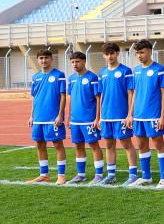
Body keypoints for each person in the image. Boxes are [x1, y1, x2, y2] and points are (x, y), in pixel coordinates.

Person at [125, 39, 164, 188]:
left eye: (142, 52)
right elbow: (135, 93)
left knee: (158, 143)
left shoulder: (159, 69)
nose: (139, 55)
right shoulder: (136, 70)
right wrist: (130, 114)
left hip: (154, 115)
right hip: (138, 116)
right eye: (137, 53)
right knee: (141, 144)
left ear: (150, 51)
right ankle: (146, 177)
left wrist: (163, 115)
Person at [96, 43, 136, 185]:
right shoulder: (102, 73)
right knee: (109, 145)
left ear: (117, 53)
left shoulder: (126, 71)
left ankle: (133, 175)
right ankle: (111, 175)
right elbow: (101, 95)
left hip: (121, 116)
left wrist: (129, 114)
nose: (110, 56)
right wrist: (100, 117)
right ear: (103, 56)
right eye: (107, 54)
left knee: (126, 144)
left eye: (112, 53)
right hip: (106, 116)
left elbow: (131, 93)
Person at [25, 49, 67, 184]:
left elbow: (63, 96)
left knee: (57, 144)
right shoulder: (35, 77)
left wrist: (60, 115)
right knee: (39, 145)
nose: (44, 60)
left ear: (51, 59)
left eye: (46, 58)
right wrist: (31, 116)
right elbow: (34, 97)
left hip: (53, 118)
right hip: (38, 118)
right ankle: (44, 175)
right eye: (41, 58)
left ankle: (61, 175)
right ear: (38, 60)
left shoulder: (59, 75)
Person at [66, 52, 103, 185]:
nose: (74, 64)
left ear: (84, 61)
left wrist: (97, 118)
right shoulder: (71, 78)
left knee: (94, 145)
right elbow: (71, 99)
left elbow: (98, 99)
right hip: (75, 120)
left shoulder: (92, 77)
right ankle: (80, 175)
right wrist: (69, 117)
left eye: (77, 61)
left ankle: (99, 175)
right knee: (78, 145)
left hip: (89, 119)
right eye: (72, 62)